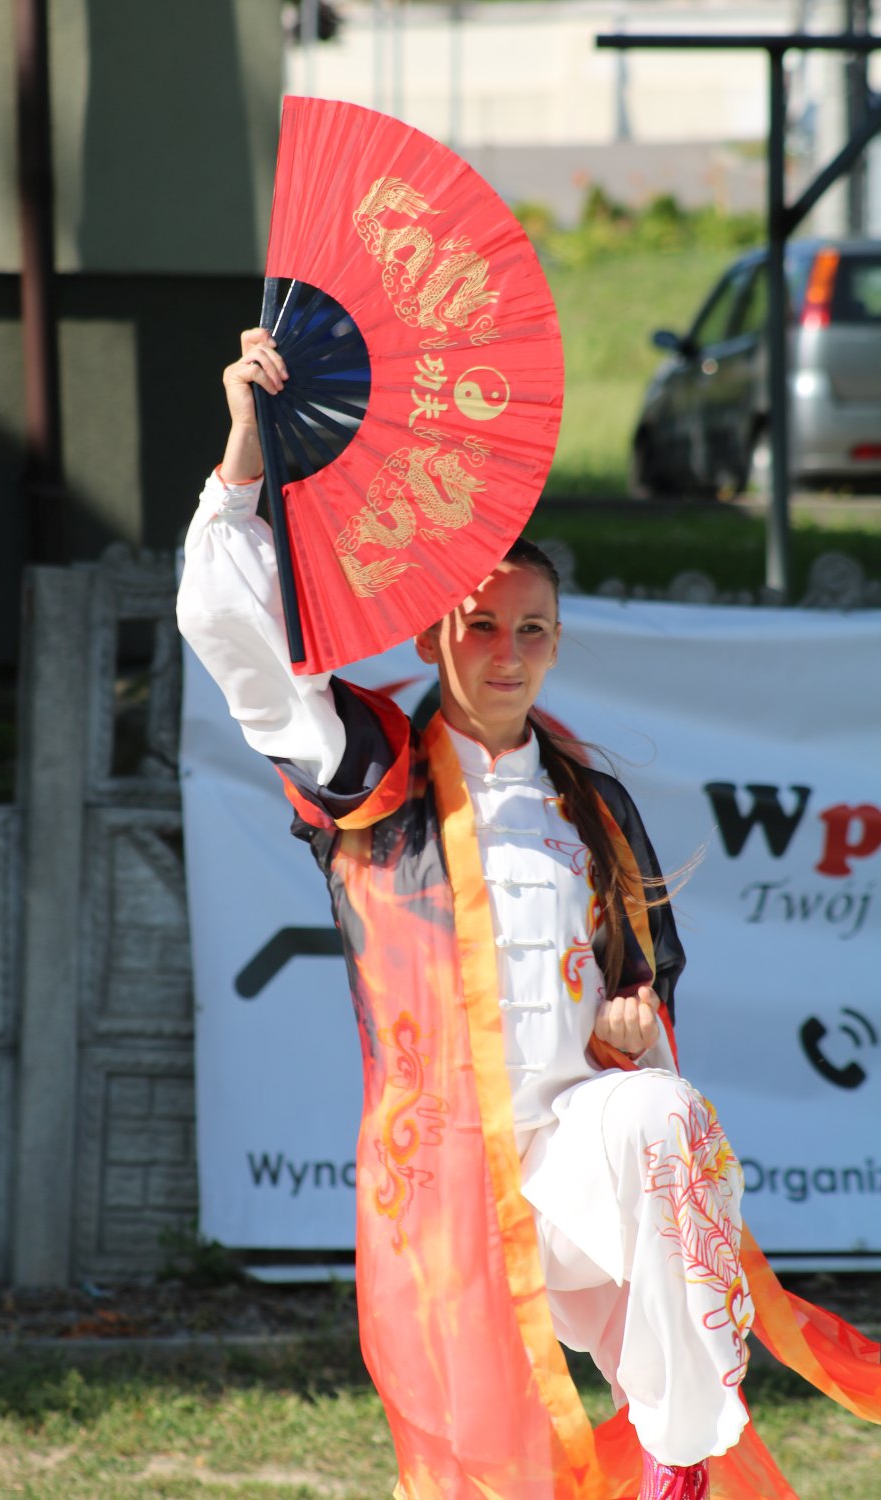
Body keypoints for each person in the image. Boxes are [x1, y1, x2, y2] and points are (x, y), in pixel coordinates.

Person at [178, 330, 881, 1500]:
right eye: (479, 625)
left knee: (667, 1115)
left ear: (557, 643)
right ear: (429, 635)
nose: (505, 653)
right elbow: (243, 644)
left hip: (573, 1161)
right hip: (450, 1186)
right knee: (492, 1472)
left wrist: (633, 1018)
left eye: (532, 629)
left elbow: (645, 971)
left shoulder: (587, 804)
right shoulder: (374, 773)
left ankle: (675, 1465)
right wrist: (246, 449)